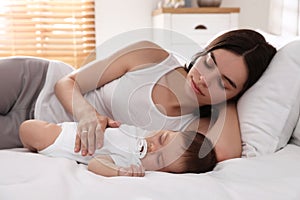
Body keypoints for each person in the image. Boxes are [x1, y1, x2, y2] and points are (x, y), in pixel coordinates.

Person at [0, 29, 277, 162]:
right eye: (210, 61)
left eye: (225, 83)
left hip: (40, 132)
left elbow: (227, 154)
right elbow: (67, 82)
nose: (205, 79)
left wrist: (229, 101)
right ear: (205, 51)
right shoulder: (151, 55)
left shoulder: (195, 128)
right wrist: (87, 116)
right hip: (35, 81)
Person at [19, 119, 217, 177]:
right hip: (75, 128)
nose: (153, 147)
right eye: (163, 138)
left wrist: (119, 172)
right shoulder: (141, 131)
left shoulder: (132, 162)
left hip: (63, 142)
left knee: (28, 130)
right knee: (31, 126)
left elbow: (97, 163)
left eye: (159, 160)